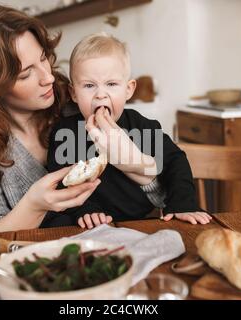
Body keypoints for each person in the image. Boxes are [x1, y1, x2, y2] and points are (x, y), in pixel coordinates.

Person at [0, 4, 165, 235]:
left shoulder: (79, 104)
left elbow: (161, 198)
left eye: (43, 59)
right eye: (25, 73)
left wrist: (139, 166)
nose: (48, 78)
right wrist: (34, 206)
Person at [45, 33, 212, 227]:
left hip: (140, 222)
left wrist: (182, 204)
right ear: (73, 93)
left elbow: (176, 161)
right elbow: (59, 183)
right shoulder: (63, 132)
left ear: (128, 90)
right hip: (89, 227)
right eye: (89, 85)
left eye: (111, 84)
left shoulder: (142, 126)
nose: (100, 95)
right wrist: (83, 209)